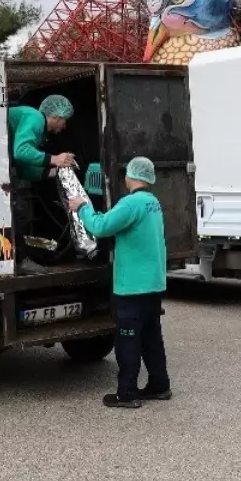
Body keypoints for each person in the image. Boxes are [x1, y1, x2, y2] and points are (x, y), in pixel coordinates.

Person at [68, 157, 170, 409]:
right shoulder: (152, 202)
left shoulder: (131, 203)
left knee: (127, 339)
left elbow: (100, 227)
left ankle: (127, 393)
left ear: (132, 176)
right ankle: (160, 385)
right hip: (153, 284)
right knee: (151, 338)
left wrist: (82, 207)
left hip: (132, 286)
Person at [7, 95, 76, 182]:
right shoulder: (36, 118)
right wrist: (54, 159)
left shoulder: (40, 132)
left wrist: (57, 172)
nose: (64, 126)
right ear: (56, 116)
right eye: (65, 120)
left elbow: (24, 171)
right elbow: (21, 151)